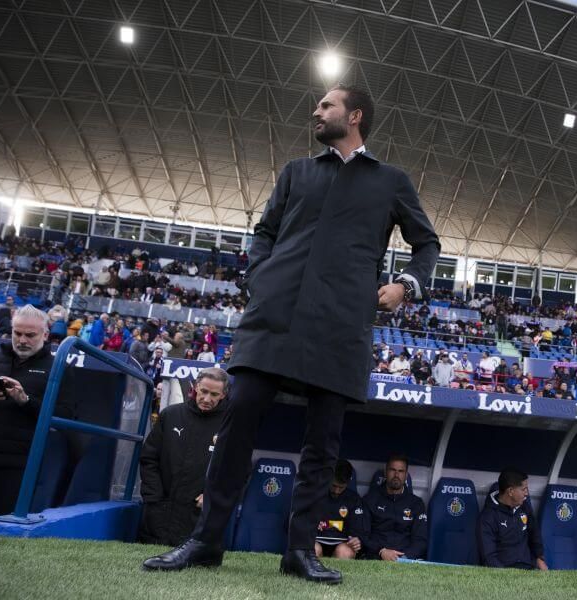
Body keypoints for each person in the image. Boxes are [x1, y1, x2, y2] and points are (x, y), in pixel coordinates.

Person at [142, 84, 440, 585]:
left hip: (341, 326)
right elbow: (264, 233)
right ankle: (205, 540)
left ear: (356, 116)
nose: (317, 111)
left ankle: (299, 551)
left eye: (327, 105)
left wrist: (406, 285)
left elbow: (426, 242)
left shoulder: (391, 181)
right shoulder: (297, 171)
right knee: (235, 429)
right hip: (274, 320)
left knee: (323, 445)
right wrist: (262, 279)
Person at [0, 305, 73, 527]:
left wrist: (25, 401)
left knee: (0, 539)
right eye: (17, 333)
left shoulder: (59, 368)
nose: (22, 340)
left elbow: (66, 417)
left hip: (14, 469)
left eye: (30, 335)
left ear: (45, 335)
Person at [138, 368, 229, 546]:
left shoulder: (230, 426)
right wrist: (154, 497)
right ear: (195, 387)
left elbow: (238, 471)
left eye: (214, 394)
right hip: (158, 513)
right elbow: (149, 458)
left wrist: (213, 496)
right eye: (203, 391)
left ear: (223, 395)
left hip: (198, 518)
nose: (207, 399)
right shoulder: (170, 415)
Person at [477, 468, 547, 570]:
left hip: (528, 568)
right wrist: (506, 576)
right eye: (523, 489)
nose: (527, 493)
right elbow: (488, 557)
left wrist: (539, 558)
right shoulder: (488, 517)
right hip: (503, 571)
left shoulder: (525, 508)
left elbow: (534, 535)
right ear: (510, 491)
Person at [361, 454, 428, 561]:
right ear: (385, 472)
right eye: (392, 470)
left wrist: (404, 558)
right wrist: (381, 551)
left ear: (406, 475)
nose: (396, 474)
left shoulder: (416, 504)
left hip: (405, 560)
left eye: (401, 471)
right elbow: (363, 535)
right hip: (376, 557)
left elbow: (421, 540)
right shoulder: (369, 500)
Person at [315, 459, 364, 560]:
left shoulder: (354, 499)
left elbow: (359, 531)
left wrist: (357, 540)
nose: (336, 491)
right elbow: (296, 522)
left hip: (342, 544)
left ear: (348, 482)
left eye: (341, 487)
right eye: (334, 486)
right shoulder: (314, 494)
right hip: (316, 542)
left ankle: (337, 576)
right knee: (314, 549)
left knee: (344, 552)